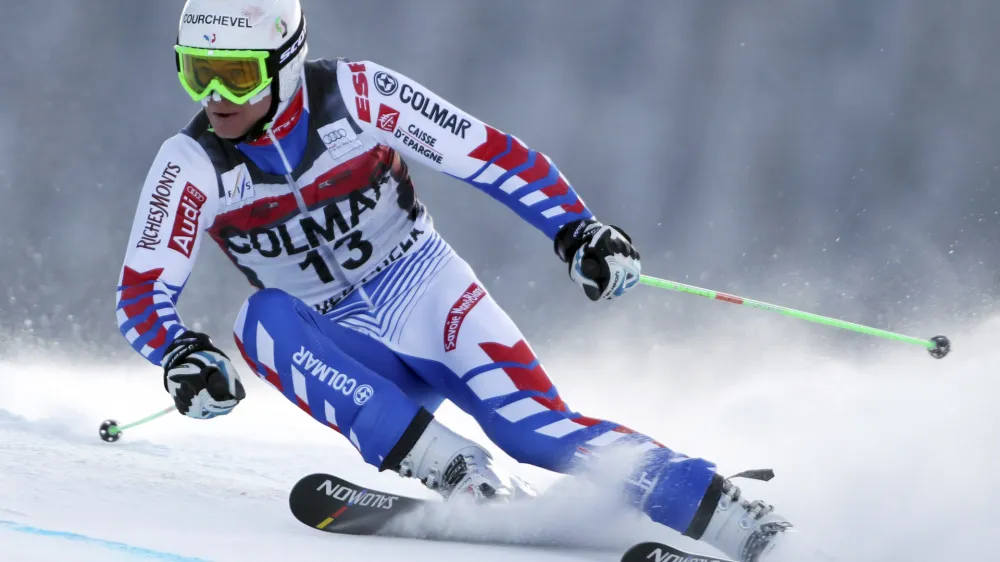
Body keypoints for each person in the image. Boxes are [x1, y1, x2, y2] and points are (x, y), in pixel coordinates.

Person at [116, 1, 799, 560]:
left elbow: (486, 153)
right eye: (196, 73)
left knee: (533, 430)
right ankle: (459, 473)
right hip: (342, 345)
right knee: (258, 322)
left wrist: (576, 227)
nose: (213, 97)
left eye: (236, 77)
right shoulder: (191, 163)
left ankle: (736, 520)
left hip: (425, 290)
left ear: (287, 65)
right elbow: (142, 293)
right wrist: (182, 354)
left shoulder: (358, 95)